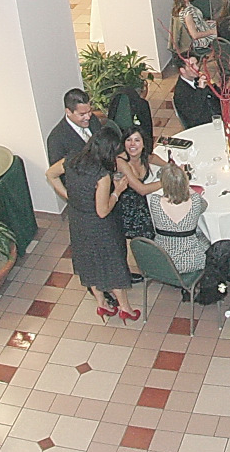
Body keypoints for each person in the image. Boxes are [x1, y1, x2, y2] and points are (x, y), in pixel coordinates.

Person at [45, 125, 138, 321]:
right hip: (99, 227)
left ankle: (102, 304)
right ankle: (125, 309)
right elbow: (102, 211)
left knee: (89, 263)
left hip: (78, 221)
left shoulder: (71, 159)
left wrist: (69, 196)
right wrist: (117, 191)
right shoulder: (101, 175)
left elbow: (50, 174)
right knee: (111, 265)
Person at [145, 158, 209, 275]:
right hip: (192, 260)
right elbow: (204, 205)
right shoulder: (195, 201)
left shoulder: (155, 201)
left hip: (163, 260)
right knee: (208, 237)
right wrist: (188, 187)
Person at [46, 88, 106, 168]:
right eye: (82, 114)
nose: (88, 117)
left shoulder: (93, 119)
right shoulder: (56, 139)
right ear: (68, 112)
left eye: (89, 111)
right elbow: (58, 172)